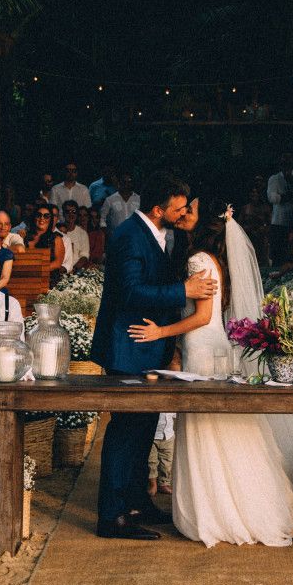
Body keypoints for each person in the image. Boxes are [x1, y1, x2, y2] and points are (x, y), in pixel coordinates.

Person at [123, 200, 293, 547]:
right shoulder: (217, 262)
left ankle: (217, 512)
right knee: (226, 430)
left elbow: (201, 317)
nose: (184, 215)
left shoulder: (198, 260)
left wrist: (160, 332)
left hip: (202, 350)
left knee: (206, 428)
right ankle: (245, 504)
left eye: (191, 212)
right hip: (215, 347)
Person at [91, 171, 218, 540]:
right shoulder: (128, 236)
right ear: (159, 210)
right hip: (127, 346)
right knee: (125, 431)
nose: (184, 213)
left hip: (149, 346)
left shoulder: (163, 232)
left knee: (145, 426)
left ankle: (136, 503)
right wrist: (184, 291)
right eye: (179, 208)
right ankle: (111, 517)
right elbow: (130, 292)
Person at [265, 154, 293, 263]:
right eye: (283, 163)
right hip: (278, 221)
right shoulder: (274, 178)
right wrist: (291, 196)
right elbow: (272, 198)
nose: (286, 165)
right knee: (277, 254)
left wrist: (290, 181)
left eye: (288, 162)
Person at [22, 203, 67, 285]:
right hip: (26, 280)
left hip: (49, 281)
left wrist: (37, 270)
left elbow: (57, 263)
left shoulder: (56, 239)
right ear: (34, 217)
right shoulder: (24, 236)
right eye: (39, 215)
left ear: (51, 220)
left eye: (46, 216)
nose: (42, 218)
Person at [59, 199, 91, 273]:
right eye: (67, 212)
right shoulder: (57, 231)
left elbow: (84, 255)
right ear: (63, 214)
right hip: (59, 270)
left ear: (77, 214)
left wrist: (74, 269)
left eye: (73, 212)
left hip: (76, 271)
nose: (71, 214)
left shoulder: (82, 233)